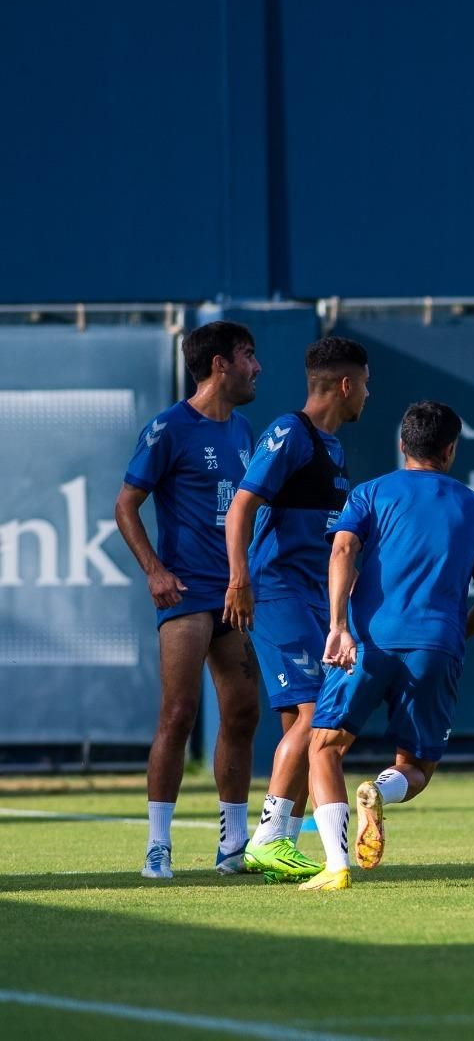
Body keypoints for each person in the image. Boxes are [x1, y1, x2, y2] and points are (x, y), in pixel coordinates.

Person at [299, 401, 474, 891]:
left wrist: (338, 625)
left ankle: (335, 865)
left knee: (325, 746)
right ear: (450, 450)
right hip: (436, 646)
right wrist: (453, 636)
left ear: (402, 445)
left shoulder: (371, 492)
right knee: (415, 766)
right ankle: (380, 793)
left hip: (368, 642)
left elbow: (343, 549)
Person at [114, 320, 262, 879]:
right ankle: (158, 845)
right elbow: (126, 505)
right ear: (220, 364)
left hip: (232, 592)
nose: (257, 366)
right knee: (178, 714)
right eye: (248, 355)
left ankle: (232, 845)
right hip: (186, 592)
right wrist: (154, 571)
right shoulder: (169, 428)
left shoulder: (245, 429)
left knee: (244, 711)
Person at [221, 337, 370, 881]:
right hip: (277, 590)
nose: (368, 395)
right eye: (366, 384)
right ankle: (269, 838)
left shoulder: (332, 446)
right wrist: (239, 580)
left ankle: (275, 846)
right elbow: (241, 507)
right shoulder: (290, 432)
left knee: (303, 722)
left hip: (311, 597)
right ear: (347, 385)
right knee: (316, 719)